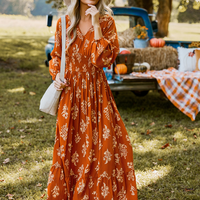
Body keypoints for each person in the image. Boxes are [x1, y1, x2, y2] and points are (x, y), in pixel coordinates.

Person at [46, 0, 138, 199]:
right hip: (71, 95)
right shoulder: (64, 22)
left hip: (97, 94)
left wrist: (96, 24)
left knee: (101, 146)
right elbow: (56, 57)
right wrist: (57, 75)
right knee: (70, 147)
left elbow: (102, 60)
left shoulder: (106, 22)